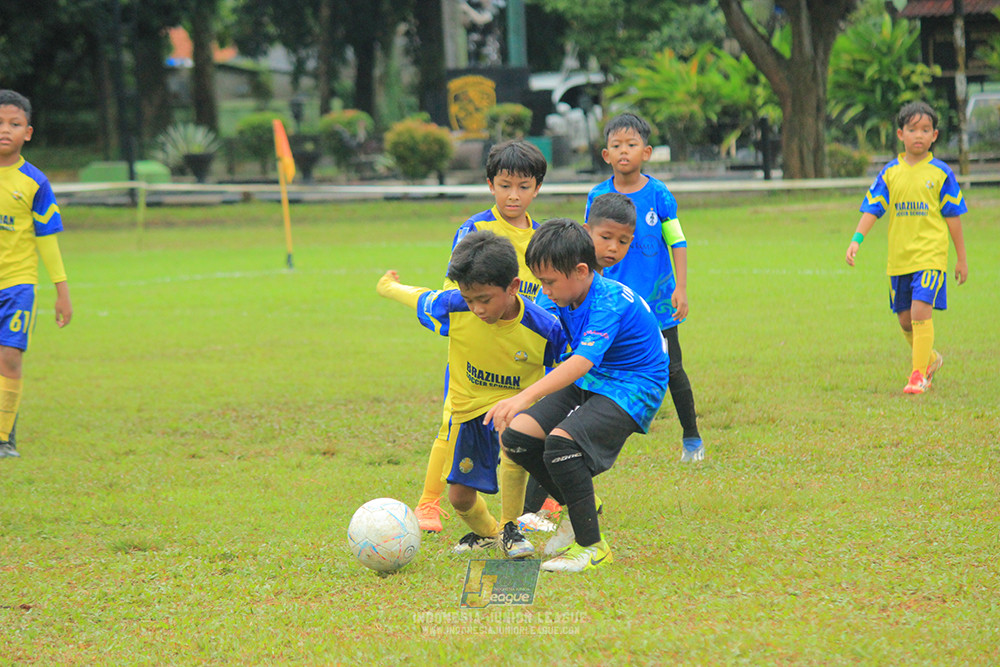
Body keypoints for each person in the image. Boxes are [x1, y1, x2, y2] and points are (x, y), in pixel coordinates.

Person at [485, 219, 668, 573]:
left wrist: (523, 397)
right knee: (518, 437)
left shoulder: (608, 302)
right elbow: (534, 325)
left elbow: (581, 362)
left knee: (561, 444)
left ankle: (592, 547)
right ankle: (583, 501)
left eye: (550, 282)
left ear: (582, 271)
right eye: (541, 282)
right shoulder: (561, 294)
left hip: (636, 384)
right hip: (597, 377)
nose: (545, 290)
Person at [377, 230, 566, 558]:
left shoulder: (543, 327)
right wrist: (389, 287)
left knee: (515, 434)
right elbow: (420, 297)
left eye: (485, 299)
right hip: (468, 413)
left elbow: (570, 366)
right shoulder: (453, 307)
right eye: (469, 299)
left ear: (513, 287)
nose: (476, 308)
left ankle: (511, 528)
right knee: (460, 498)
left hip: (517, 410)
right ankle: (491, 533)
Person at [415, 139, 549, 533]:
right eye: (505, 185)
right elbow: (453, 289)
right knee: (450, 423)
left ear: (537, 188)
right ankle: (428, 503)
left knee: (530, 424)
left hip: (521, 350)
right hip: (475, 347)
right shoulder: (475, 229)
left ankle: (544, 502)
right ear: (490, 184)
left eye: (523, 187)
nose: (514, 195)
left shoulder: (541, 237)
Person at [515, 192, 637, 534]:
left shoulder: (604, 292)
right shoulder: (560, 281)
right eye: (606, 237)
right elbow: (543, 325)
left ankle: (562, 518)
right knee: (529, 435)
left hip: (599, 378)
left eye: (623, 241)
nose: (613, 247)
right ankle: (562, 503)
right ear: (588, 232)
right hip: (564, 373)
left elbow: (587, 353)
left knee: (558, 441)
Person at [587, 112, 704, 463]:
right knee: (595, 367)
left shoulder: (658, 194)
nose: (624, 152)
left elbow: (677, 242)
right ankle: (590, 438)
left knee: (672, 369)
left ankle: (692, 439)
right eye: (616, 146)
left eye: (632, 145)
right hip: (612, 305)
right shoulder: (597, 196)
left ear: (647, 152)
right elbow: (587, 244)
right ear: (606, 155)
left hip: (657, 304)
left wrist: (680, 288)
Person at [846, 100, 968, 394]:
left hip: (931, 256)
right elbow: (873, 208)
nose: (919, 135)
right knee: (904, 319)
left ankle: (918, 375)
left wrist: (961, 258)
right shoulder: (890, 173)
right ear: (900, 134)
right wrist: (856, 239)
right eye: (912, 129)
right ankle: (931, 358)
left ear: (934, 136)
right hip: (900, 259)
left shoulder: (941, 173)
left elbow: (953, 218)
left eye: (925, 130)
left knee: (920, 311)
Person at [0, 90, 72, 459]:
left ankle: (3, 436)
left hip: (18, 285)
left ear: (27, 132)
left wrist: (62, 291)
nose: (5, 130)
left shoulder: (35, 182)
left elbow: (47, 240)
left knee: (10, 357)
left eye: (14, 124)